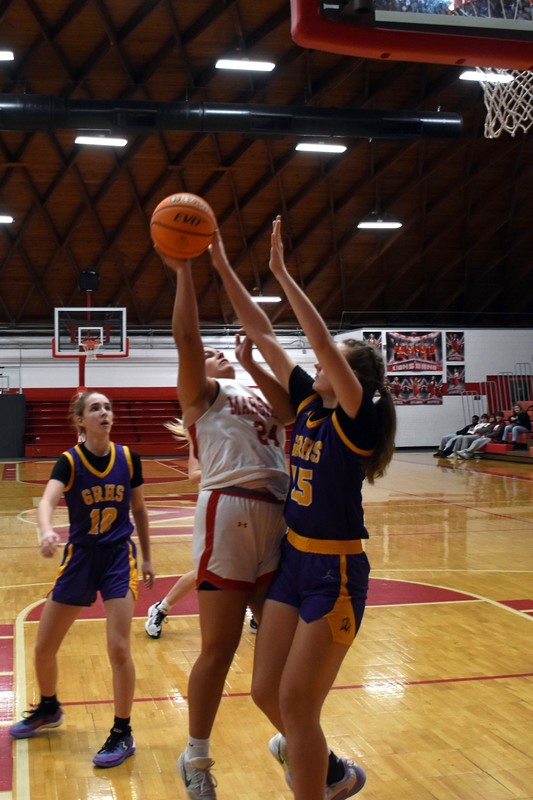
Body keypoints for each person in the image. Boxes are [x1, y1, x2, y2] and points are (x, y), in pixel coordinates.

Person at [209, 215, 397, 800]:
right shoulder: (311, 409)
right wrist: (219, 266)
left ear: (350, 380)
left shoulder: (354, 418)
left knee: (297, 702)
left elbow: (315, 342)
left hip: (335, 575)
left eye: (330, 363)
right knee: (267, 692)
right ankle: (334, 776)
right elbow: (264, 332)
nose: (316, 365)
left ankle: (318, 785)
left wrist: (284, 273)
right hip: (294, 564)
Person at [155, 247, 293, 800]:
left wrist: (255, 360)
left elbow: (292, 409)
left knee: (281, 649)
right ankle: (196, 758)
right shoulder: (203, 397)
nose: (215, 354)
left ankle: (293, 738)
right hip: (230, 512)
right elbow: (187, 339)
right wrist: (186, 270)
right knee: (221, 646)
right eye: (209, 354)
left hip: (279, 518)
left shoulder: (257, 395)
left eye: (220, 352)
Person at [9, 390, 155, 768]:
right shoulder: (69, 462)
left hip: (119, 558)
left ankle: (122, 731)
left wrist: (150, 557)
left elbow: (139, 509)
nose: (104, 413)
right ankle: (48, 706)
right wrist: (44, 531)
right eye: (95, 408)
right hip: (81, 557)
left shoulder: (128, 458)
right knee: (44, 646)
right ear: (80, 421)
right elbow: (46, 501)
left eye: (108, 407)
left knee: (119, 649)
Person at [145, 429, 259, 639]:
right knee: (205, 570)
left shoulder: (241, 435)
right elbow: (194, 475)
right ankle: (160, 608)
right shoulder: (202, 437)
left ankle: (256, 616)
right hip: (215, 512)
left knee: (252, 565)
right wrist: (225, 471)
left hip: (242, 508)